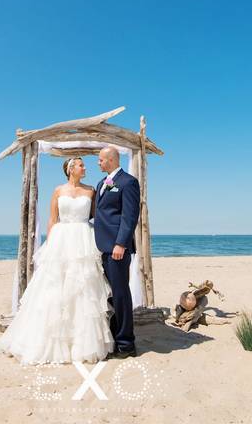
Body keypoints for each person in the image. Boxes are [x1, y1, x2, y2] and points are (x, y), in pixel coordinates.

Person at [0, 157, 114, 365]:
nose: (84, 167)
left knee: (83, 288)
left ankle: (82, 343)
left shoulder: (91, 190)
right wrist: (51, 244)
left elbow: (98, 217)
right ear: (71, 169)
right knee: (55, 288)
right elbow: (53, 219)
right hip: (62, 240)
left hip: (83, 239)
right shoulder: (58, 190)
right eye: (81, 165)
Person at [93, 146, 141, 359]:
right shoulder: (102, 183)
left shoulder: (128, 182)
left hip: (117, 249)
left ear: (111, 160)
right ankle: (114, 334)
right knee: (110, 294)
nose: (98, 163)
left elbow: (129, 217)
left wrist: (121, 243)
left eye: (100, 160)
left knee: (121, 294)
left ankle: (126, 343)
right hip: (102, 247)